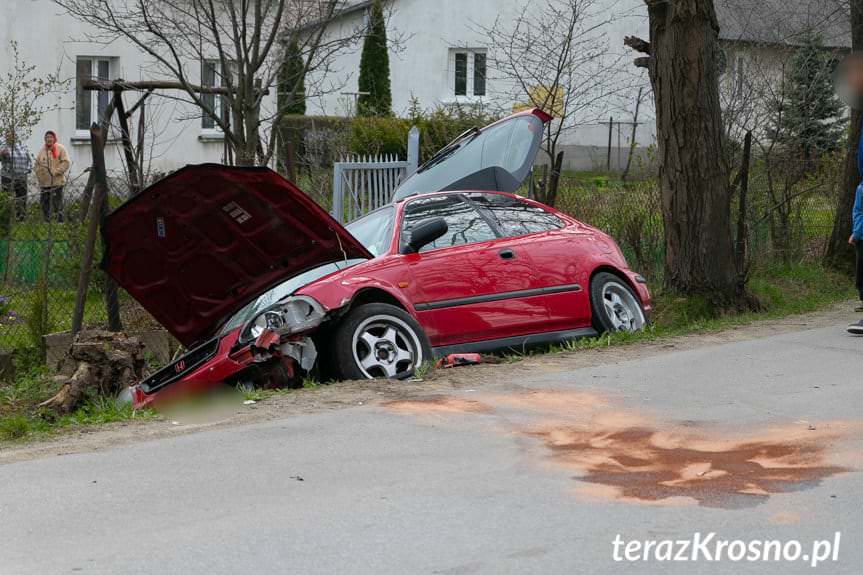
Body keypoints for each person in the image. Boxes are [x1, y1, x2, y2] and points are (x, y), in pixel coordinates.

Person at [34, 130, 70, 222]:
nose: (49, 139)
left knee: (57, 203)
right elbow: (37, 165)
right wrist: (39, 177)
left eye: (50, 137)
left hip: (57, 182)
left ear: (54, 138)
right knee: (44, 203)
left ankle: (60, 223)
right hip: (44, 184)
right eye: (47, 137)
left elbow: (66, 162)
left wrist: (56, 171)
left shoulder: (60, 148)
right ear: (44, 139)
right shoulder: (42, 151)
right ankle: (46, 222)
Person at [0, 131, 32, 221]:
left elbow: (29, 160)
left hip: (21, 177)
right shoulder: (3, 147)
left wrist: (28, 169)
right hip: (8, 177)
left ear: (15, 136)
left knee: (21, 198)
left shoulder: (21, 147)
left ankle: (21, 218)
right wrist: (2, 154)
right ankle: (5, 219)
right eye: (7, 135)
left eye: (11, 135)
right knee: (6, 198)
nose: (9, 137)